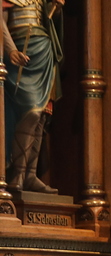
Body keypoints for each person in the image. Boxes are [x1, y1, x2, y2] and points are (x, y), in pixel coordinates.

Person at [2, 0, 63, 194]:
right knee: (31, 111)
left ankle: (29, 175)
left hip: (43, 52)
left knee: (41, 115)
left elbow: (47, 19)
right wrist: (10, 49)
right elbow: (1, 20)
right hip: (21, 50)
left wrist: (55, 7)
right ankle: (17, 173)